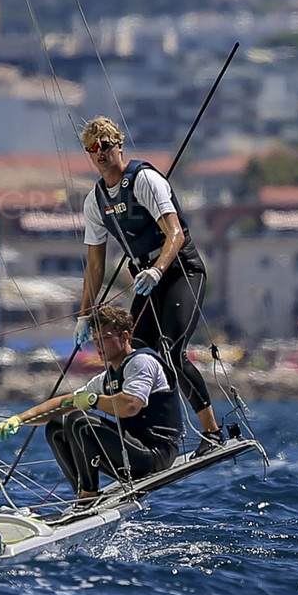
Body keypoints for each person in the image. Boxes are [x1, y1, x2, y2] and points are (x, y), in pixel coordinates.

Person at [75, 115, 225, 456]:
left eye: (105, 145)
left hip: (180, 271)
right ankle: (151, 438)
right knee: (134, 353)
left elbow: (176, 233)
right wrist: (85, 316)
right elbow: (95, 265)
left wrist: (158, 270)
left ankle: (212, 431)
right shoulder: (95, 201)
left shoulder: (144, 179)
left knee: (170, 351)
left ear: (119, 146)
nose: (100, 153)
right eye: (92, 148)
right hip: (146, 279)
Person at [0, 306, 182, 497]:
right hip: (129, 454)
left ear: (124, 337)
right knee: (57, 425)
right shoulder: (105, 378)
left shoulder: (141, 362)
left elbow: (130, 406)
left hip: (155, 454)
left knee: (80, 421)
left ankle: (88, 494)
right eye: (95, 340)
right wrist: (18, 420)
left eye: (104, 339)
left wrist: (93, 400)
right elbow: (65, 402)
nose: (98, 346)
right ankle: (81, 493)